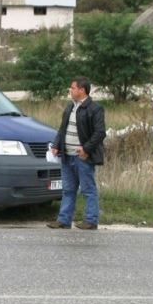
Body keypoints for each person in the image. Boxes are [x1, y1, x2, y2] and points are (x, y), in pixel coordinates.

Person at [46, 77, 106, 230]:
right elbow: (62, 129)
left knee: (88, 190)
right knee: (68, 190)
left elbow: (100, 133)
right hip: (67, 156)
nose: (70, 90)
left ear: (82, 90)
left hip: (83, 157)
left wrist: (86, 149)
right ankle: (64, 220)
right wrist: (56, 145)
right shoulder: (69, 107)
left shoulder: (94, 109)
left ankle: (91, 221)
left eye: (72, 88)